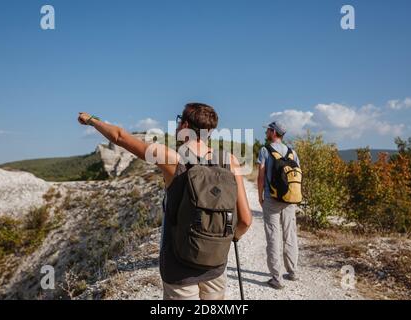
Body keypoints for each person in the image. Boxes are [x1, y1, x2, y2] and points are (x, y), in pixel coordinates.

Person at [78, 103, 252, 300]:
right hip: (216, 265)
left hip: (179, 267)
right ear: (209, 131)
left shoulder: (172, 159)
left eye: (179, 122)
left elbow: (119, 137)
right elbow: (245, 220)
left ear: (185, 125)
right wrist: (224, 240)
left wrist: (91, 120)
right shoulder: (230, 161)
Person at [257, 121, 300, 289]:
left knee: (273, 237)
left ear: (274, 132)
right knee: (290, 235)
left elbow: (260, 176)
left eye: (268, 129)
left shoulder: (265, 150)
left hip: (272, 199)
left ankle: (277, 278)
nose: (267, 131)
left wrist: (260, 196)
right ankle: (293, 272)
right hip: (290, 199)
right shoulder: (292, 152)